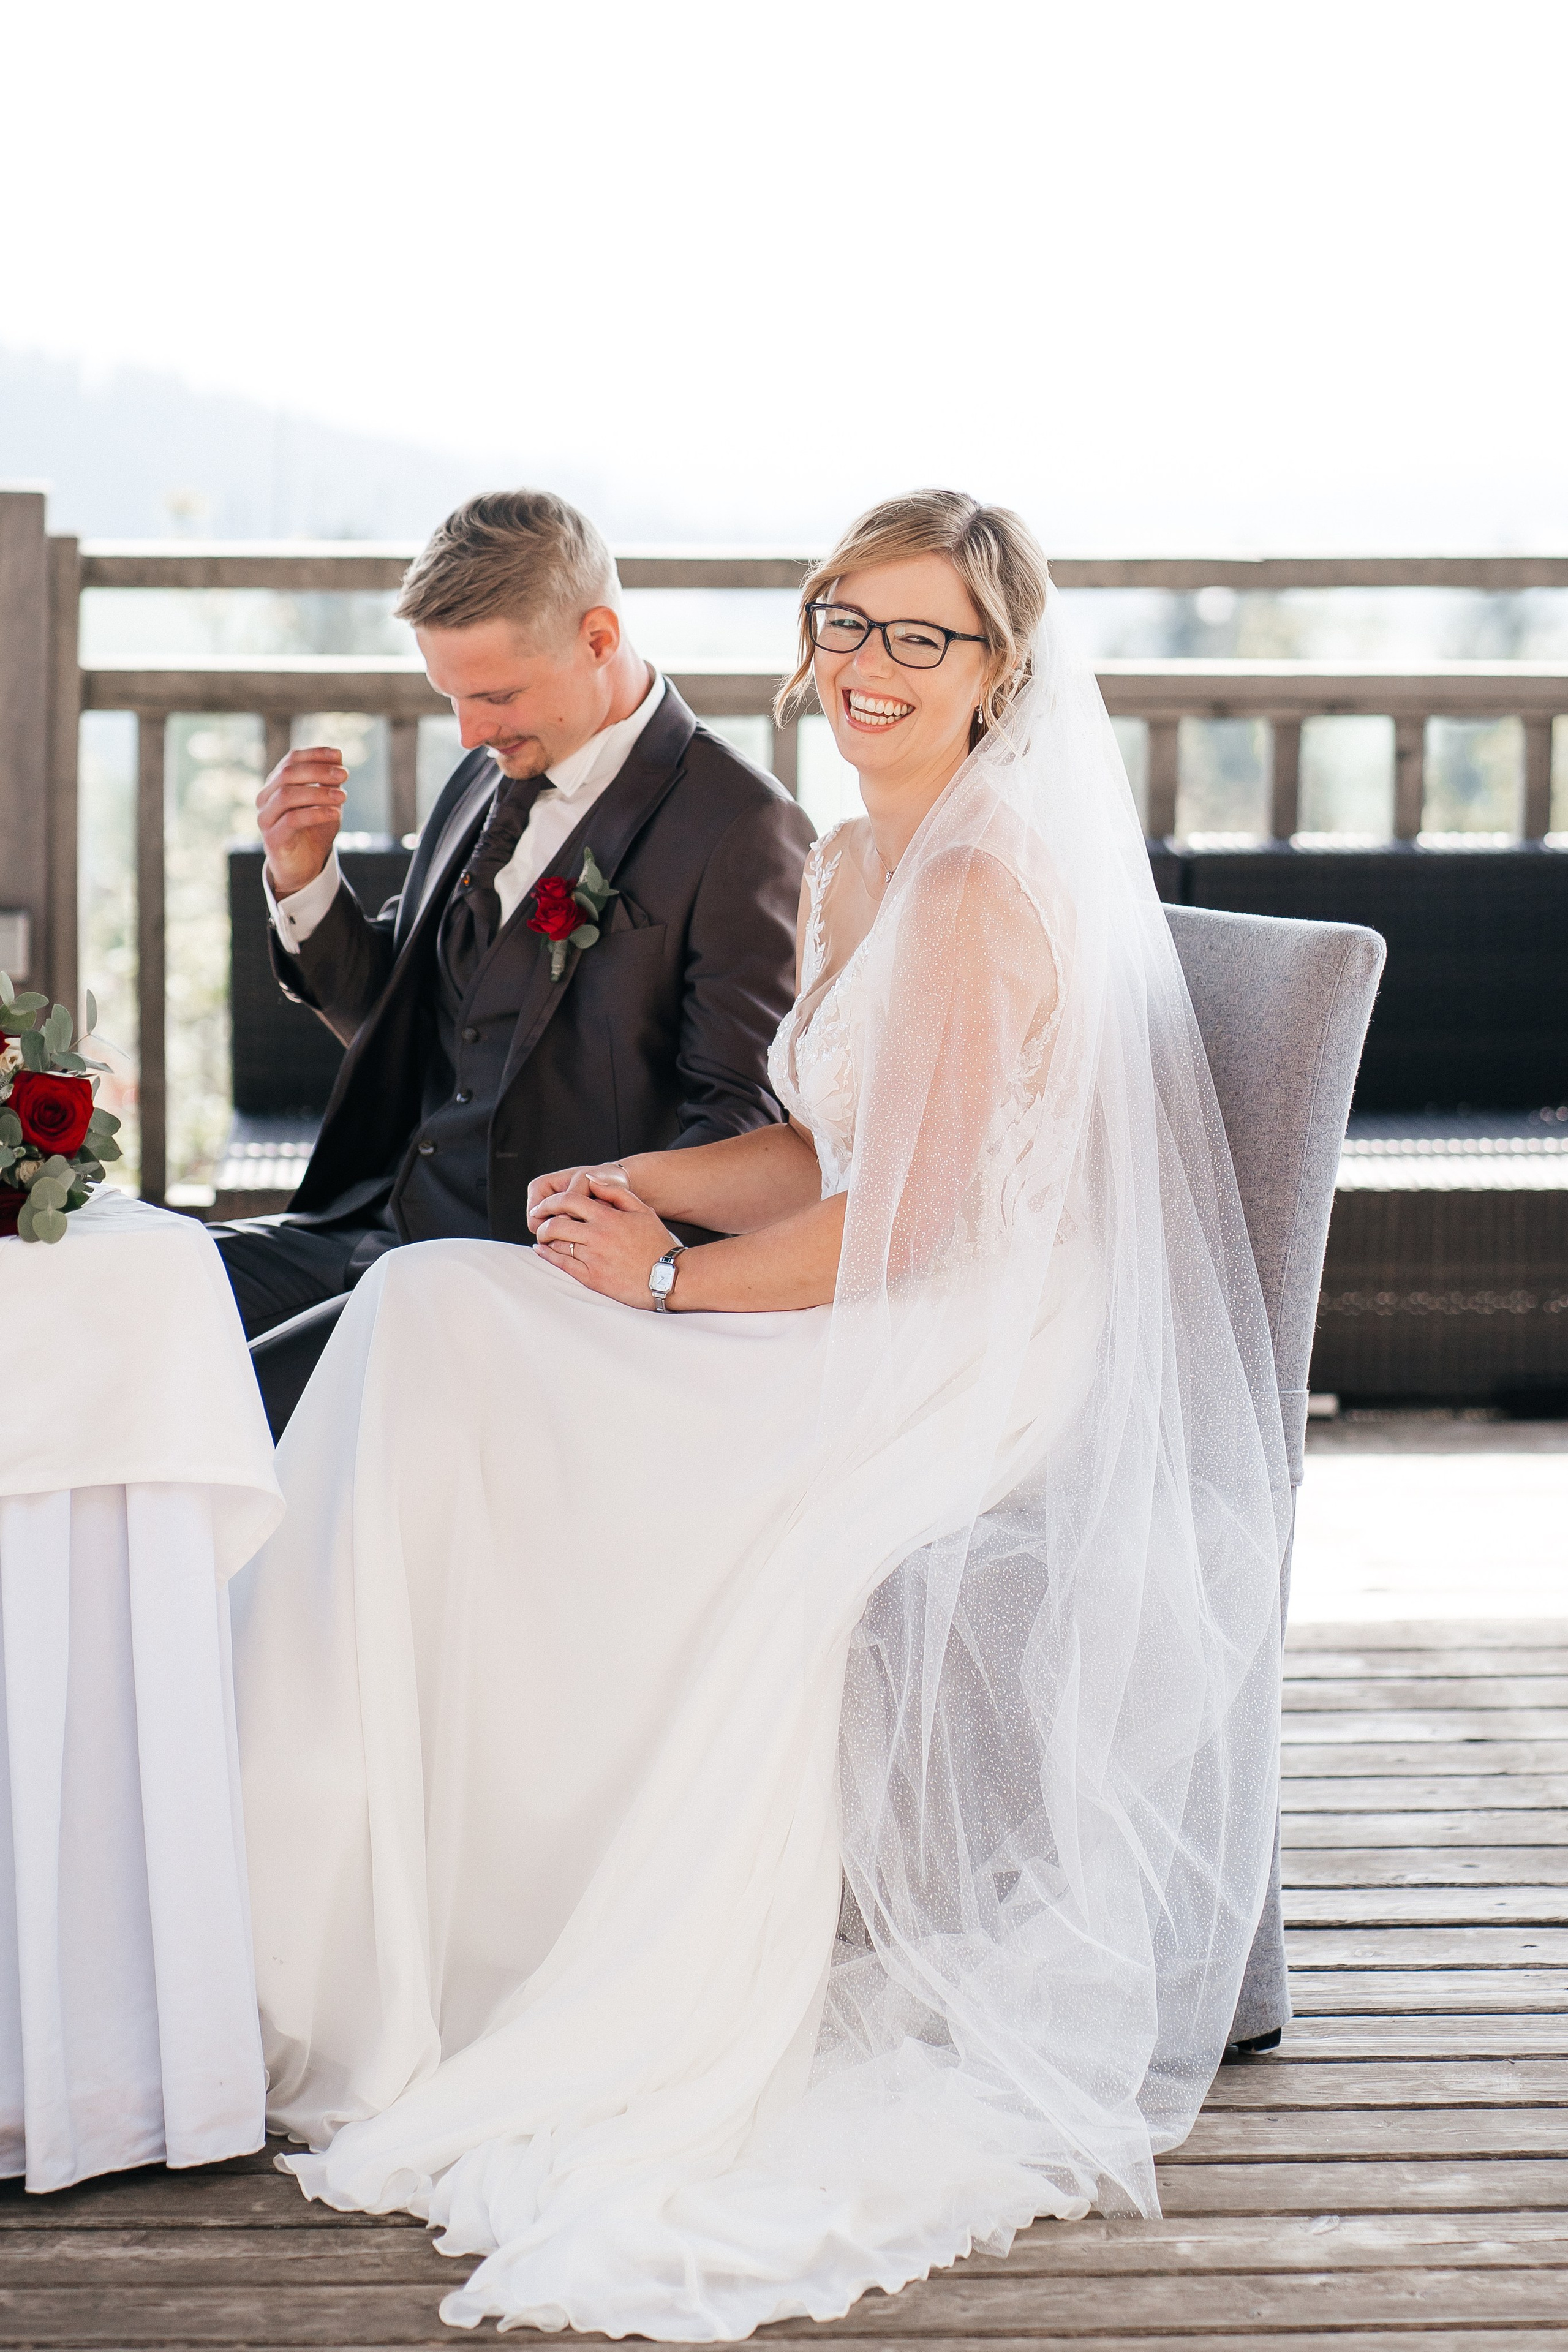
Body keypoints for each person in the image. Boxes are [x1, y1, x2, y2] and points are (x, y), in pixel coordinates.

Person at [230, 491, 1291, 2340]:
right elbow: (829, 1144)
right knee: (431, 1316)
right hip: (863, 1270)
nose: (870, 669)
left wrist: (655, 1282)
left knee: (456, 1337)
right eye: (846, 624)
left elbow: (920, 1228)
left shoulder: (965, 886)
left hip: (955, 1341)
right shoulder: (877, 859)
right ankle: (343, 1919)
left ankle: (446, 1934)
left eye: (921, 638)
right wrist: (635, 1183)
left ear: (1000, 670)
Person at [211, 490, 813, 1430]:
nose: (469, 733)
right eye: (451, 698)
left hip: (507, 1284)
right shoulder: (488, 769)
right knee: (140, 1295)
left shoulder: (740, 826)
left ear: (600, 637)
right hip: (362, 1229)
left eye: (495, 696)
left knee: (212, 1403)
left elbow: (737, 1121)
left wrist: (628, 1259)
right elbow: (405, 1017)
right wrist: (305, 877)